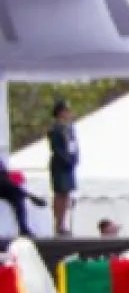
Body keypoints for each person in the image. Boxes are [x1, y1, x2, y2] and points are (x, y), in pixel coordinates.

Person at [46, 100, 77, 236]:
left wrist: (74, 159)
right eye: (67, 110)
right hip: (60, 164)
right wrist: (66, 159)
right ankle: (58, 224)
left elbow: (73, 145)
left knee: (66, 194)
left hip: (69, 164)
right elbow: (57, 148)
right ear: (60, 112)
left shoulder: (69, 128)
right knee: (60, 193)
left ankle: (63, 223)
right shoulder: (55, 129)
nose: (69, 113)